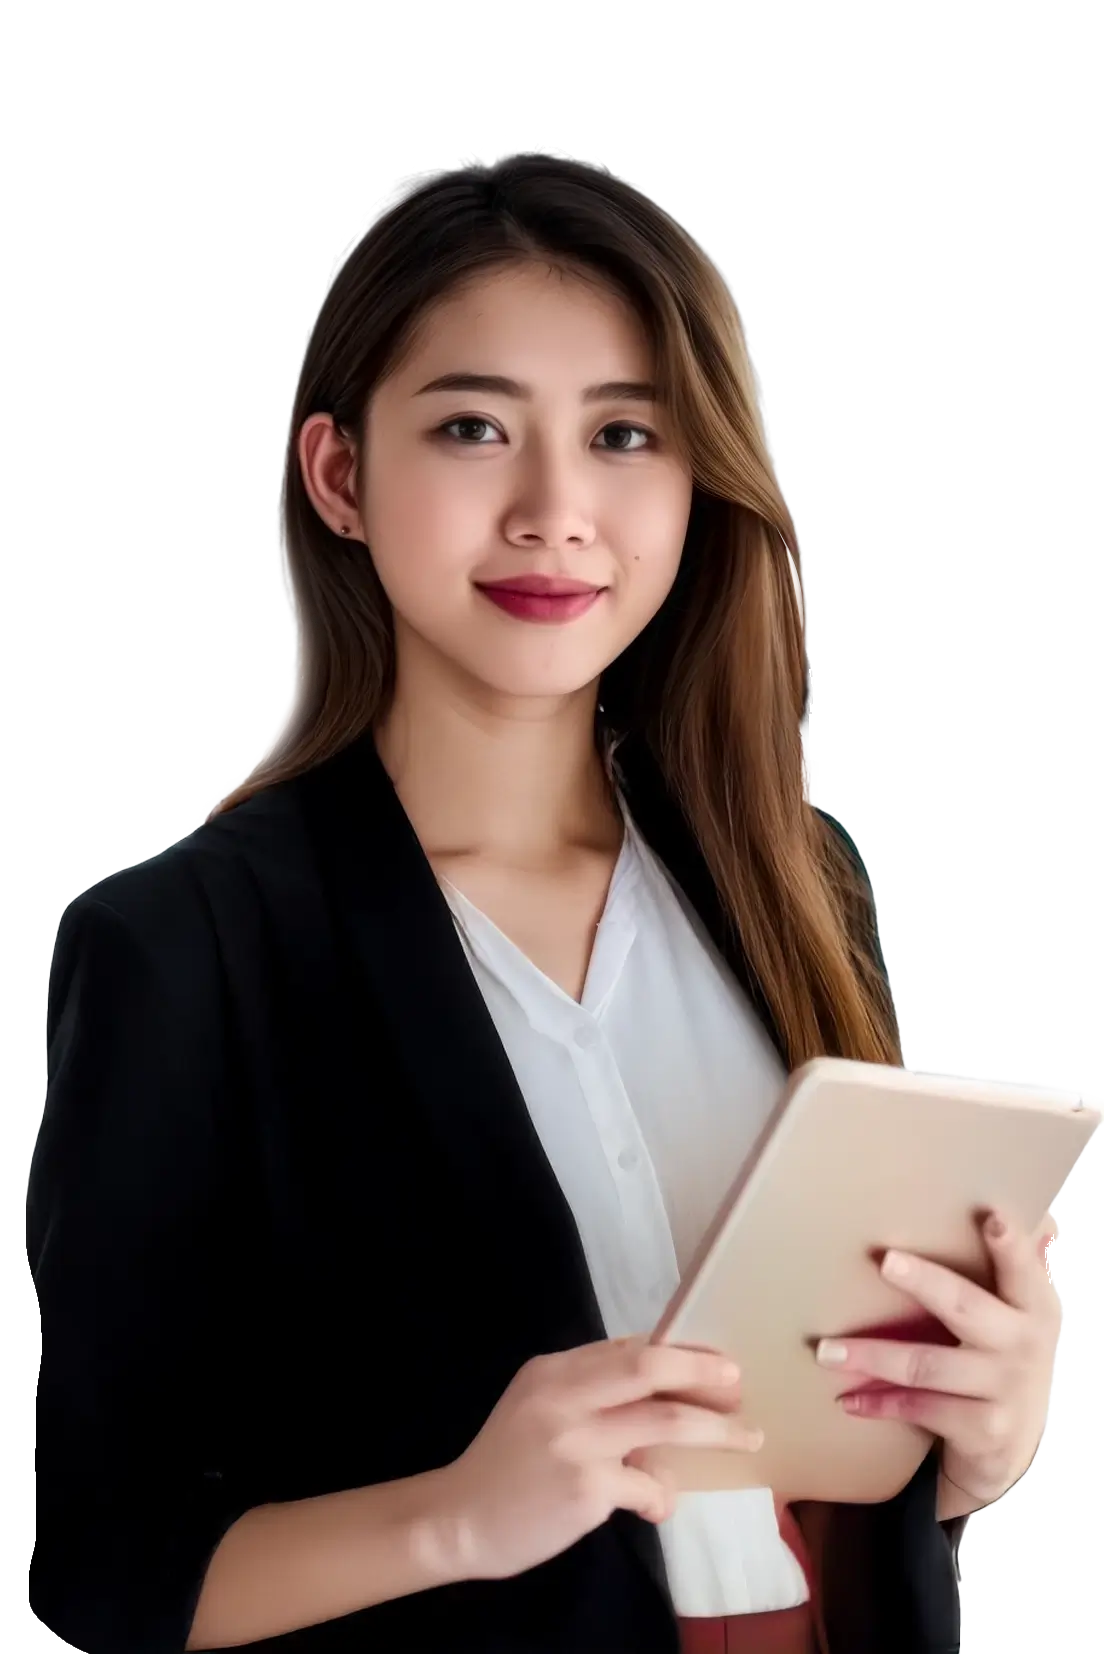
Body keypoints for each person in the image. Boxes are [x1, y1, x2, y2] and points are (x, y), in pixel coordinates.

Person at [27, 146, 1062, 1654]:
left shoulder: (801, 880)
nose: (555, 509)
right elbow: (108, 1568)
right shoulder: (184, 954)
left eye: (626, 433)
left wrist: (987, 1436)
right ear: (340, 476)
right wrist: (460, 1511)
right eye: (470, 428)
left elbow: (839, 1457)